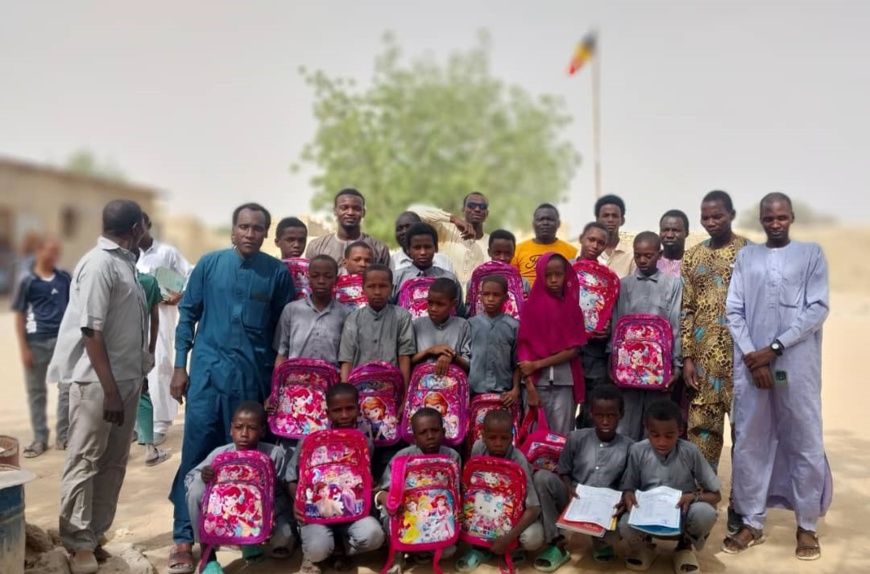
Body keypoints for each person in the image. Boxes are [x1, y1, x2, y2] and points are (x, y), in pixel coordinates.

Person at [167, 203, 295, 574]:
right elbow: (187, 316)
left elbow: (282, 335)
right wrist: (179, 367)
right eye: (244, 227)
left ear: (266, 234)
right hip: (207, 379)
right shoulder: (208, 265)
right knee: (197, 458)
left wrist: (275, 388)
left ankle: (246, 533)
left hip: (250, 385)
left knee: (246, 461)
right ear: (233, 230)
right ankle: (184, 539)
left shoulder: (276, 274)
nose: (250, 234)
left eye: (258, 228)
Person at [723, 193, 832, 561]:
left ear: (791, 218)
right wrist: (755, 358)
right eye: (768, 218)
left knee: (803, 439)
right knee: (751, 441)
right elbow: (734, 309)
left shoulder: (811, 254)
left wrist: (775, 348)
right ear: (760, 219)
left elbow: (817, 308)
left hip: (795, 367)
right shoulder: (746, 256)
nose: (775, 224)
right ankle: (752, 521)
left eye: (781, 217)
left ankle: (807, 526)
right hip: (753, 369)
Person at [47, 200, 148, 574]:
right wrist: (109, 391)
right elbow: (91, 331)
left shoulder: (125, 263)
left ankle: (95, 533)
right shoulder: (99, 264)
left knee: (113, 462)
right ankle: (77, 542)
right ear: (136, 227)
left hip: (125, 379)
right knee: (85, 460)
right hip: (96, 383)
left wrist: (134, 378)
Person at [681, 191, 750, 473]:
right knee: (701, 434)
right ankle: (702, 498)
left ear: (731, 215)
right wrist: (687, 358)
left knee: (746, 437)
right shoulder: (692, 257)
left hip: (743, 363)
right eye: (705, 217)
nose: (711, 222)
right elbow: (686, 310)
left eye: (717, 216)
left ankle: (743, 503)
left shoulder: (750, 254)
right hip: (703, 366)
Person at [287, 384, 385, 574]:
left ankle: (342, 550)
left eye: (350, 408)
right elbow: (291, 478)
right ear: (328, 413)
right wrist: (297, 503)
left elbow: (369, 480)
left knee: (374, 536)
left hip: (352, 511)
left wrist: (373, 487)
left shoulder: (366, 443)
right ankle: (319, 552)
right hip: (318, 512)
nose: (344, 415)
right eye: (337, 410)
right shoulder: (310, 442)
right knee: (317, 549)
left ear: (358, 409)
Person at [185, 401, 293, 574]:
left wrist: (267, 515)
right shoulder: (220, 454)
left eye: (251, 428)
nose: (244, 434)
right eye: (238, 427)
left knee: (283, 540)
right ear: (231, 429)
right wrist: (204, 476)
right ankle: (209, 556)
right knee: (196, 489)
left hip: (264, 514)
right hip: (226, 514)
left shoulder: (274, 454)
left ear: (262, 431)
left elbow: (283, 492)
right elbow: (189, 479)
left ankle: (249, 542)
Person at [533, 385, 633, 568]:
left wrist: (622, 499)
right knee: (542, 478)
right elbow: (563, 470)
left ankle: (601, 543)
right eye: (600, 415)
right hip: (575, 497)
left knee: (615, 531)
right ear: (590, 414)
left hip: (605, 506)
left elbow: (627, 484)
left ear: (621, 415)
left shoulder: (629, 447)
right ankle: (557, 543)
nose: (605, 421)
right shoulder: (575, 438)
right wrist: (569, 487)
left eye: (611, 415)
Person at [619, 400, 721, 574]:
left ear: (680, 431)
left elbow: (716, 495)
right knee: (624, 524)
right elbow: (629, 487)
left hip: (682, 513)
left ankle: (684, 547)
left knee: (706, 513)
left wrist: (693, 497)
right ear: (646, 430)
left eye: (669, 435)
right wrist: (628, 494)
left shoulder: (691, 452)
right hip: (648, 516)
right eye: (655, 435)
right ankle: (646, 545)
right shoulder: (637, 451)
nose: (662, 442)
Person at [610, 232, 682, 441]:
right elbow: (617, 324)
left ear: (659, 255)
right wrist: (611, 361)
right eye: (638, 255)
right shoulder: (624, 285)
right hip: (628, 366)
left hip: (659, 366)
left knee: (656, 422)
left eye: (648, 255)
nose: (642, 260)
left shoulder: (672, 284)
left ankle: (653, 471)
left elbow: (675, 325)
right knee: (626, 424)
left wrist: (675, 366)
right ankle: (626, 471)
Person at [375, 408, 462, 574]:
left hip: (436, 514)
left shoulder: (452, 457)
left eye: (435, 430)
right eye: (423, 432)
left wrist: (456, 512)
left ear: (443, 432)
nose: (430, 436)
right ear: (414, 438)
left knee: (449, 551)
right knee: (390, 516)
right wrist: (388, 500)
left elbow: (455, 494)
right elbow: (385, 491)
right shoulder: (402, 458)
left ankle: (419, 550)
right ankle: (398, 553)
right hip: (408, 512)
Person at [457, 410, 544, 571]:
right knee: (460, 521)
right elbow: (471, 488)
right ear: (483, 436)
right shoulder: (478, 448)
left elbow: (534, 507)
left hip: (513, 517)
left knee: (533, 538)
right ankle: (482, 549)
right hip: (484, 513)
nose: (498, 443)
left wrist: (508, 538)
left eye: (504, 438)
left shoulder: (518, 459)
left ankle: (513, 549)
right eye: (492, 438)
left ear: (511, 438)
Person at [137, 212, 193, 444]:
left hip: (161, 318)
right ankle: (138, 423)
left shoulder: (166, 253)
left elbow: (190, 273)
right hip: (133, 319)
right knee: (134, 368)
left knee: (159, 365)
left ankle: (160, 423)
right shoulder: (128, 254)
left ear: (148, 226)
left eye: (139, 226)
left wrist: (181, 295)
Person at [12, 235, 71, 456]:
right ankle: (39, 439)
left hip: (62, 343)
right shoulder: (27, 281)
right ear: (38, 252)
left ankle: (63, 436)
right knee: (36, 392)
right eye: (50, 250)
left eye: (57, 251)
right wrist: (24, 349)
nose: (54, 255)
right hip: (36, 341)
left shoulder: (64, 278)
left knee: (67, 389)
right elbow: (19, 315)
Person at [517, 253, 586, 437]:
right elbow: (523, 351)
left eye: (559, 274)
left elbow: (574, 349)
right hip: (535, 384)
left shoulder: (573, 309)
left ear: (567, 275)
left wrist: (537, 364)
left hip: (564, 382)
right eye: (548, 275)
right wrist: (530, 388)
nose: (554, 280)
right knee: (534, 435)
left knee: (562, 436)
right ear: (539, 275)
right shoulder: (529, 308)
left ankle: (560, 468)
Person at [338, 265, 416, 385]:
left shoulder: (402, 316)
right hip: (360, 385)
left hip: (392, 385)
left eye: (383, 286)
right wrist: (346, 389)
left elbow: (404, 357)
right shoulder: (353, 319)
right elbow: (347, 360)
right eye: (371, 286)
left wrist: (404, 394)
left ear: (391, 288)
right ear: (363, 288)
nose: (377, 292)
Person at [274, 255, 349, 367]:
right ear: (308, 278)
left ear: (336, 280)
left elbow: (346, 358)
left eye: (328, 276)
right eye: (315, 276)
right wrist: (278, 381)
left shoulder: (345, 314)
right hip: (297, 378)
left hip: (331, 380)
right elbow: (282, 352)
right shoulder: (291, 310)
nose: (321, 281)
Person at [574, 222, 612, 429]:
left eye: (601, 243)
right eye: (591, 239)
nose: (595, 246)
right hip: (565, 352)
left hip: (594, 354)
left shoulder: (608, 279)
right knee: (563, 411)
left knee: (591, 411)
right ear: (581, 238)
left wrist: (609, 330)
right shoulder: (563, 270)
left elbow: (611, 311)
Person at [134, 254, 171, 467]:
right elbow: (155, 318)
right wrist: (150, 348)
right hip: (138, 346)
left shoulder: (111, 278)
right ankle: (149, 448)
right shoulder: (148, 282)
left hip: (110, 349)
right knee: (142, 394)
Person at [409, 192, 490, 285]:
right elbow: (413, 212)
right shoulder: (446, 230)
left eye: (482, 206)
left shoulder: (491, 243)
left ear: (486, 213)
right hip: (443, 294)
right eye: (472, 205)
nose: (477, 209)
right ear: (463, 210)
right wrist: (453, 218)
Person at [467, 275, 520, 405]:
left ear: (506, 298)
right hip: (474, 394)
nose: (490, 299)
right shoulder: (470, 325)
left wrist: (515, 390)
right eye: (486, 294)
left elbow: (517, 363)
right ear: (480, 296)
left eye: (496, 295)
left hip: (504, 395)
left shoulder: (513, 326)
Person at [391, 223, 465, 314]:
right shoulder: (396, 278)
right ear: (408, 250)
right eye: (417, 247)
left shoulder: (449, 278)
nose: (423, 252)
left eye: (427, 247)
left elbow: (460, 313)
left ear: (436, 248)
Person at [305, 189, 390, 266]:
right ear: (335, 211)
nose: (350, 212)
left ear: (363, 212)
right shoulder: (316, 247)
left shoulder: (379, 249)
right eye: (344, 208)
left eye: (356, 208)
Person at [411, 278, 471, 374]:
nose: (433, 309)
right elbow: (408, 361)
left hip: (452, 385)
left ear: (454, 304)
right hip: (421, 384)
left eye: (440, 304)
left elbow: (467, 365)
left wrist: (452, 356)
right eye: (430, 303)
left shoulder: (462, 325)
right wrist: (429, 351)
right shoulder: (417, 324)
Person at [512, 204, 577, 287]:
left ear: (558, 223)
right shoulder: (517, 250)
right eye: (540, 219)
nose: (545, 223)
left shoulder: (571, 252)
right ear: (533, 223)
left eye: (550, 219)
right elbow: (511, 279)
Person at [467, 229, 530, 299]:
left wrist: (526, 304)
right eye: (497, 253)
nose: (502, 258)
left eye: (507, 254)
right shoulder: (475, 282)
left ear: (513, 254)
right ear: (489, 252)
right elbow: (470, 308)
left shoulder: (522, 283)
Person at [595, 195, 635, 278]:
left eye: (615, 216)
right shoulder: (588, 252)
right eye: (606, 216)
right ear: (597, 219)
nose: (610, 220)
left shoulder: (631, 255)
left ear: (622, 220)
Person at [658, 209, 689, 277]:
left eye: (675, 230)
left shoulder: (695, 265)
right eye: (665, 230)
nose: (669, 235)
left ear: (686, 233)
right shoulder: (650, 263)